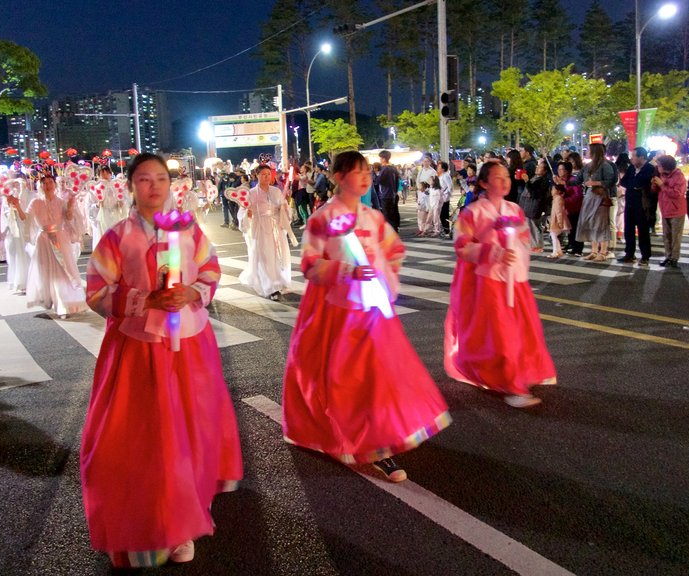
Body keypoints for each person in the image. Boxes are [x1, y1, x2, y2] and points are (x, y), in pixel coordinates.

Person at [81, 153, 242, 569]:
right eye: (144, 179)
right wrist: (145, 299)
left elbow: (210, 269)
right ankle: (150, 518)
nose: (154, 186)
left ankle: (185, 522)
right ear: (131, 185)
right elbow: (98, 292)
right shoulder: (117, 237)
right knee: (147, 436)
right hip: (139, 348)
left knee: (189, 428)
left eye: (161, 179)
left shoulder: (188, 229)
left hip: (189, 343)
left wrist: (192, 292)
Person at [282, 150, 451, 483]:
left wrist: (384, 276)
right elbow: (310, 265)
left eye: (367, 172)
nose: (365, 177)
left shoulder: (373, 217)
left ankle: (379, 444)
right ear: (337, 177)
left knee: (380, 379)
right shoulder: (322, 219)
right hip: (338, 313)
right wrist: (346, 270)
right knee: (345, 382)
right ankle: (359, 442)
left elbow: (394, 250)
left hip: (374, 313)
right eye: (356, 172)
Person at [444, 161, 556, 408]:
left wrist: (515, 253)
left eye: (506, 176)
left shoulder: (515, 210)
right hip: (488, 282)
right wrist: (492, 252)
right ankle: (512, 384)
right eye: (497, 177)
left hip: (515, 281)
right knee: (501, 334)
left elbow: (524, 240)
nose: (504, 181)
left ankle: (517, 374)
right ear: (483, 183)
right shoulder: (472, 212)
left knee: (522, 331)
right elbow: (462, 246)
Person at [6, 174, 88, 317]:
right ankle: (58, 302)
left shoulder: (61, 201)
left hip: (60, 238)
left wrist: (70, 207)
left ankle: (67, 302)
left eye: (50, 182)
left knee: (65, 269)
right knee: (50, 271)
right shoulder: (36, 202)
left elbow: (68, 218)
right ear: (41, 186)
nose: (48, 185)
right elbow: (26, 218)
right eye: (45, 183)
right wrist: (17, 205)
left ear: (55, 185)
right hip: (44, 239)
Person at [238, 164, 293, 301]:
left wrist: (284, 209)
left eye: (269, 174)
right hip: (259, 226)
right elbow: (243, 211)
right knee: (264, 255)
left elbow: (284, 207)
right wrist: (247, 214)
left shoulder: (276, 191)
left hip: (276, 226)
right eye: (263, 174)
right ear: (257, 175)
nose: (266, 177)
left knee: (278, 254)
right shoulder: (251, 193)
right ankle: (270, 286)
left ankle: (279, 280)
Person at [575, 143, 617, 261]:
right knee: (591, 222)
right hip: (589, 195)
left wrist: (596, 183)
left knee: (601, 223)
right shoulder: (587, 166)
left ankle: (603, 251)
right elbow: (578, 179)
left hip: (600, 196)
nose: (586, 152)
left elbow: (611, 180)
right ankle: (593, 250)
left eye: (588, 150)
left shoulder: (605, 165)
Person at [619, 147, 655, 265]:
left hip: (642, 204)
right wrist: (633, 185)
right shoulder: (631, 169)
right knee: (628, 229)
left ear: (642, 157)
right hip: (629, 203)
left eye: (634, 156)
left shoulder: (650, 169)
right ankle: (629, 253)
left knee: (643, 231)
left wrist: (635, 185)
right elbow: (623, 182)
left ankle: (645, 255)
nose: (632, 159)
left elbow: (644, 183)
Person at [651, 155, 688, 268]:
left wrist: (662, 185)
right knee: (666, 235)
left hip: (676, 210)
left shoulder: (678, 176)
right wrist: (654, 184)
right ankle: (668, 256)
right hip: (665, 209)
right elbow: (655, 191)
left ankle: (674, 258)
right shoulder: (661, 175)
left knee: (675, 236)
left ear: (665, 166)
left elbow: (677, 193)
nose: (658, 167)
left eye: (659, 165)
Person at [547, 169, 570, 258]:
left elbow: (559, 212)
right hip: (556, 220)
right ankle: (558, 251)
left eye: (553, 189)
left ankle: (555, 252)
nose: (552, 191)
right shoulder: (557, 198)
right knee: (554, 236)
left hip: (557, 221)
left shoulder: (557, 199)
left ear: (559, 191)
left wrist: (560, 222)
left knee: (553, 236)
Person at [376, 150, 401, 232]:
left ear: (383, 158)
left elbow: (378, 181)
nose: (380, 160)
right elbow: (397, 181)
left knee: (387, 215)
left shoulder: (385, 169)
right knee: (393, 213)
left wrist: (374, 174)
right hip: (393, 194)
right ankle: (395, 229)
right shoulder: (393, 168)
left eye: (380, 158)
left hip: (385, 194)